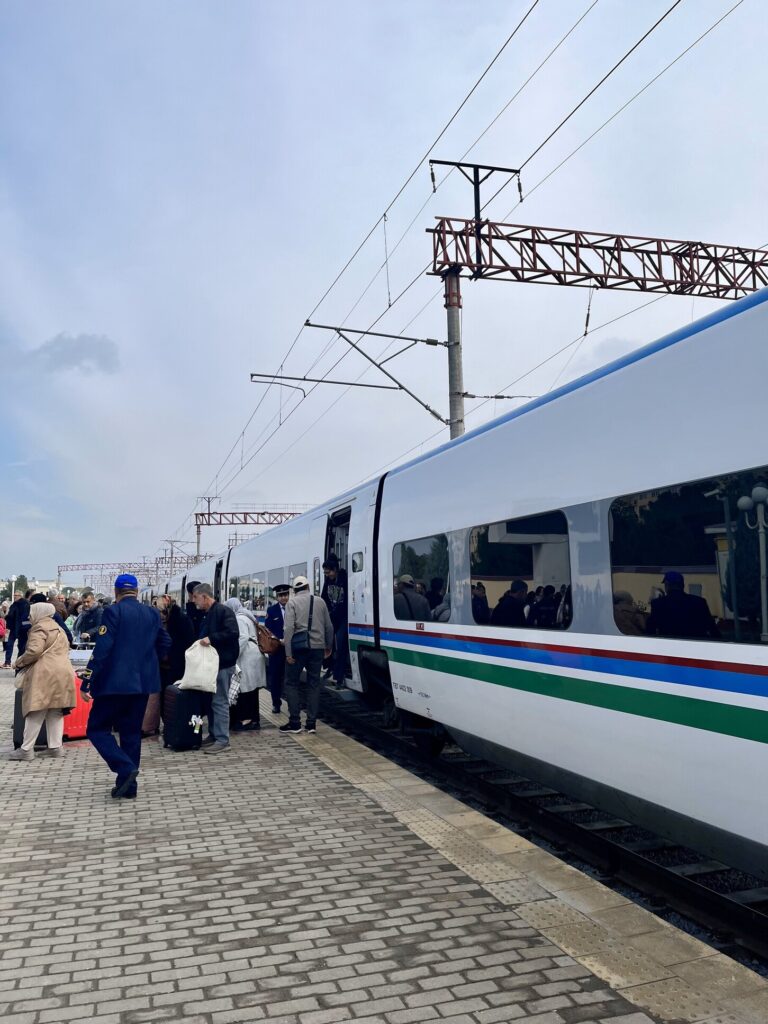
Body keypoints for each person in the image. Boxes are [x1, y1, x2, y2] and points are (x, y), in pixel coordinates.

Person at [80, 574, 170, 798]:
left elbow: (102, 649)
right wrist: (150, 661)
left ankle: (125, 768)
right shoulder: (152, 613)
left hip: (114, 685)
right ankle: (128, 787)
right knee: (131, 733)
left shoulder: (114, 611)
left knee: (96, 729)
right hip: (142, 685)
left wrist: (87, 680)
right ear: (137, 591)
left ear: (116, 592)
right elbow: (165, 641)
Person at [8, 602, 77, 761]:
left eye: (32, 612)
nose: (29, 615)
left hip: (45, 673)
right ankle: (55, 747)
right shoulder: (59, 628)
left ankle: (26, 749)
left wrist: (19, 662)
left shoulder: (39, 628)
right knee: (55, 711)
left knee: (36, 710)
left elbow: (34, 650)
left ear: (39, 612)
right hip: (63, 672)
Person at [281, 576, 333, 735]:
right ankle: (311, 724)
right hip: (317, 648)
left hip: (298, 648)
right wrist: (328, 646)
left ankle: (295, 723)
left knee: (291, 683)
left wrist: (288, 653)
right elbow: (329, 627)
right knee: (314, 684)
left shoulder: (292, 603)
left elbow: (288, 629)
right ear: (308, 587)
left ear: (294, 590)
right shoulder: (320, 601)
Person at [192, 583, 239, 753]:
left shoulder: (223, 611)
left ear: (205, 596)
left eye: (196, 598)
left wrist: (211, 638)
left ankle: (223, 740)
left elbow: (233, 633)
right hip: (213, 665)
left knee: (220, 702)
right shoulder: (209, 613)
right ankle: (214, 734)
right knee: (212, 701)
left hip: (223, 664)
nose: (194, 602)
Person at [225, 598, 266, 730]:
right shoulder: (247, 616)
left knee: (245, 689)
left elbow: (242, 637)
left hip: (247, 656)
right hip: (253, 655)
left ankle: (246, 720)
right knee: (252, 690)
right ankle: (254, 719)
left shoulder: (239, 618)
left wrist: (233, 654)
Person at [646, 571, 719, 640]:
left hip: (668, 648)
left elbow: (650, 630)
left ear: (667, 586)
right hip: (695, 647)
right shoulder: (699, 602)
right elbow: (712, 629)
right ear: (683, 585)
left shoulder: (657, 604)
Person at [154, 594, 195, 691]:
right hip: (165, 665)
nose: (159, 614)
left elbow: (187, 642)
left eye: (160, 611)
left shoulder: (181, 620)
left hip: (177, 665)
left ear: (166, 609)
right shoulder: (168, 619)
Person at [321, 554, 349, 688]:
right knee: (329, 641)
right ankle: (330, 668)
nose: (327, 575)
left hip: (343, 617)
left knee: (340, 642)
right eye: (326, 573)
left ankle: (339, 676)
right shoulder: (328, 581)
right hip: (332, 617)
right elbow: (324, 597)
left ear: (335, 569)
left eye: (329, 572)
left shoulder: (345, 579)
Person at [265, 583, 290, 713]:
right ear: (277, 597)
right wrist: (278, 640)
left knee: (291, 678)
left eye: (285, 595)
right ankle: (276, 703)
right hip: (276, 649)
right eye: (281, 595)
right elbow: (268, 631)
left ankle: (292, 704)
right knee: (275, 677)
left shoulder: (293, 608)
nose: (283, 598)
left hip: (290, 648)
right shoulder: (271, 611)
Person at [2, 590, 28, 668]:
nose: (15, 597)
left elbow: (10, 615)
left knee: (13, 644)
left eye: (16, 595)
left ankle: (9, 662)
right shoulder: (25, 604)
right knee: (18, 645)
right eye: (14, 595)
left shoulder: (16, 605)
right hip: (20, 627)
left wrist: (6, 617)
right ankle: (16, 662)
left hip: (16, 627)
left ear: (21, 596)